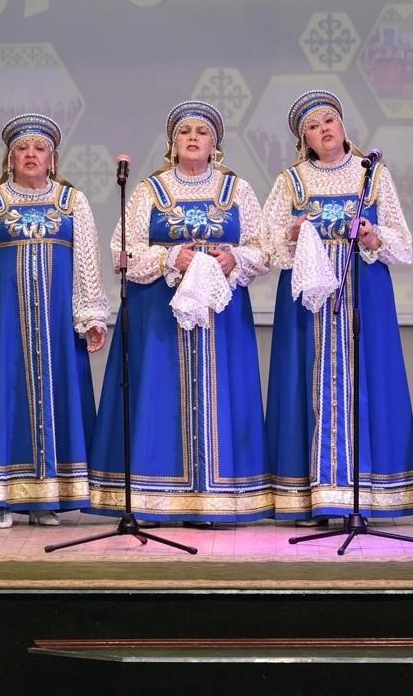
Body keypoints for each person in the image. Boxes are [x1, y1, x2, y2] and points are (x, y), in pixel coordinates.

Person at [87, 101, 273, 525]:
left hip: (222, 317)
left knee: (222, 397)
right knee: (158, 395)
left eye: (201, 132)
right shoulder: (149, 190)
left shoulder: (237, 190)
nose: (192, 137)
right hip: (158, 313)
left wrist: (235, 259)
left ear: (215, 145)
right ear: (172, 144)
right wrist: (171, 258)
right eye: (184, 132)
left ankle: (217, 500)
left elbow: (263, 249)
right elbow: (122, 251)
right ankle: (154, 499)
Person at [263, 90, 413, 525]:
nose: (324, 130)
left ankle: (365, 495)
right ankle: (311, 498)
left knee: (366, 379)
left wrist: (373, 236)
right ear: (304, 140)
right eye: (313, 127)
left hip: (363, 290)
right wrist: (293, 233)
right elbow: (266, 244)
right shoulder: (291, 180)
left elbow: (402, 243)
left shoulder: (372, 175)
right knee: (306, 381)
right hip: (308, 300)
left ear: (343, 126)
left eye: (329, 121)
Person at [0, 114, 109, 529]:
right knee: (5, 401)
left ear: (52, 158)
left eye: (39, 148)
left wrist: (92, 314)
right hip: (4, 329)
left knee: (57, 400)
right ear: (10, 158)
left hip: (57, 329)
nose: (31, 154)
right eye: (22, 148)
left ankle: (46, 499)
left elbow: (87, 262)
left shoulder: (71, 202)